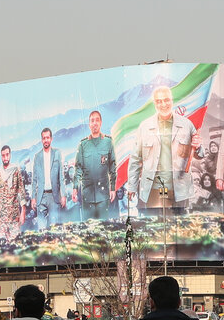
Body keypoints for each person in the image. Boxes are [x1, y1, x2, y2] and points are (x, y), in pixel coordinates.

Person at [126, 86, 196, 216]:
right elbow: (135, 158)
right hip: (153, 189)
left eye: (166, 100)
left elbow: (199, 153)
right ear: (154, 103)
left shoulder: (187, 125)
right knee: (154, 230)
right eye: (159, 101)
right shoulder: (145, 127)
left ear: (172, 100)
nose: (163, 104)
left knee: (177, 231)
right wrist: (131, 186)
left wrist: (198, 146)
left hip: (179, 190)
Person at [74, 110, 117, 220]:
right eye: (92, 121)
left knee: (104, 229)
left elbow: (112, 167)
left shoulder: (108, 142)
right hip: (87, 196)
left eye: (97, 120)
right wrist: (75, 188)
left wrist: (113, 188)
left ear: (101, 122)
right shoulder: (83, 145)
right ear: (89, 124)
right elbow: (78, 168)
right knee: (87, 231)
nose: (95, 123)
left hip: (103, 196)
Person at [30, 128, 65, 230]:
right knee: (41, 229)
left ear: (51, 139)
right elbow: (34, 179)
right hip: (41, 197)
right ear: (41, 140)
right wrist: (33, 198)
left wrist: (63, 195)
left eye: (47, 138)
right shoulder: (37, 157)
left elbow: (61, 176)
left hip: (54, 196)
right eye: (44, 138)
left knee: (54, 228)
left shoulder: (57, 153)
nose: (46, 140)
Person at [0, 145, 25, 242]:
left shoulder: (16, 171)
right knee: (4, 248)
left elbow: (21, 191)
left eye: (7, 155)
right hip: (2, 219)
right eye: (3, 155)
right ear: (1, 156)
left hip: (14, 217)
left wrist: (23, 211)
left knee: (15, 245)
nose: (5, 158)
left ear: (10, 155)